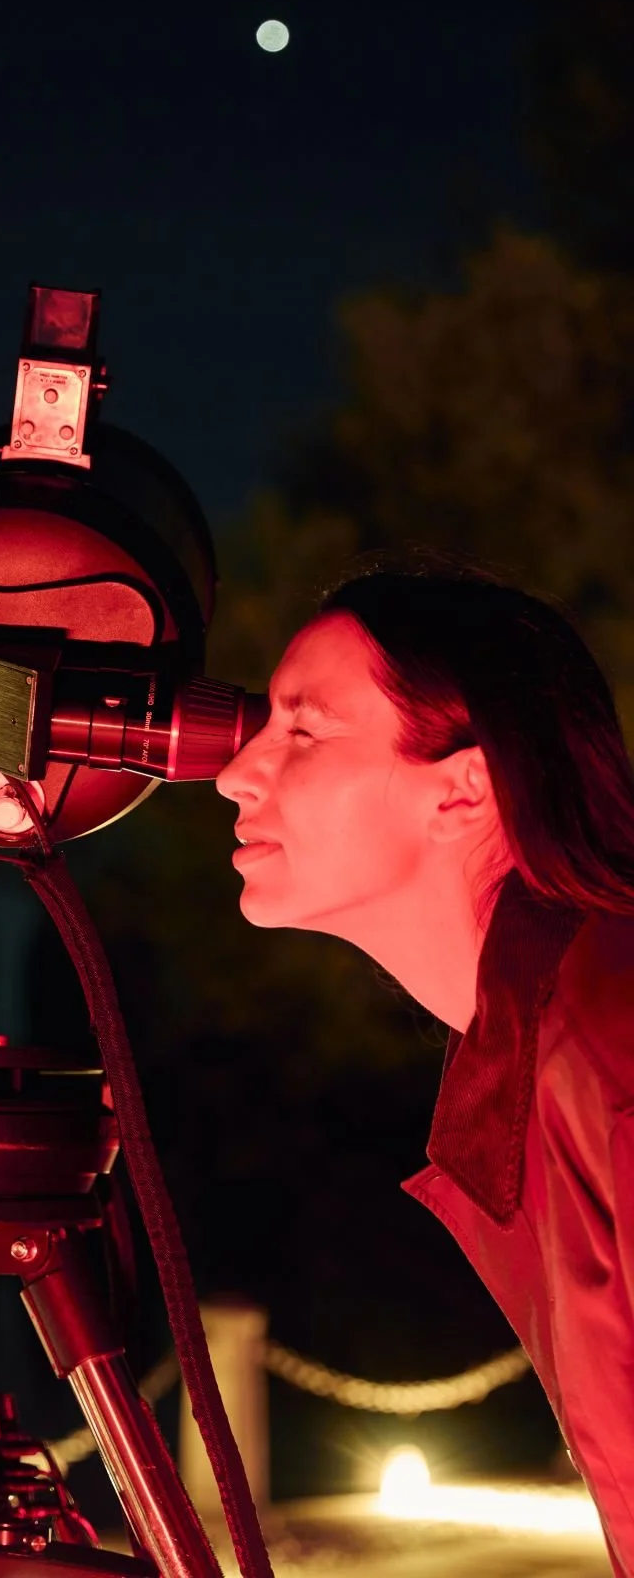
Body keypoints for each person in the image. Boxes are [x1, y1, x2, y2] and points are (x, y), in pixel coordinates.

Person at [215, 562, 634, 1575]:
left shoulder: (609, 1050)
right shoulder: (544, 1042)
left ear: (466, 787)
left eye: (302, 731)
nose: (236, 772)